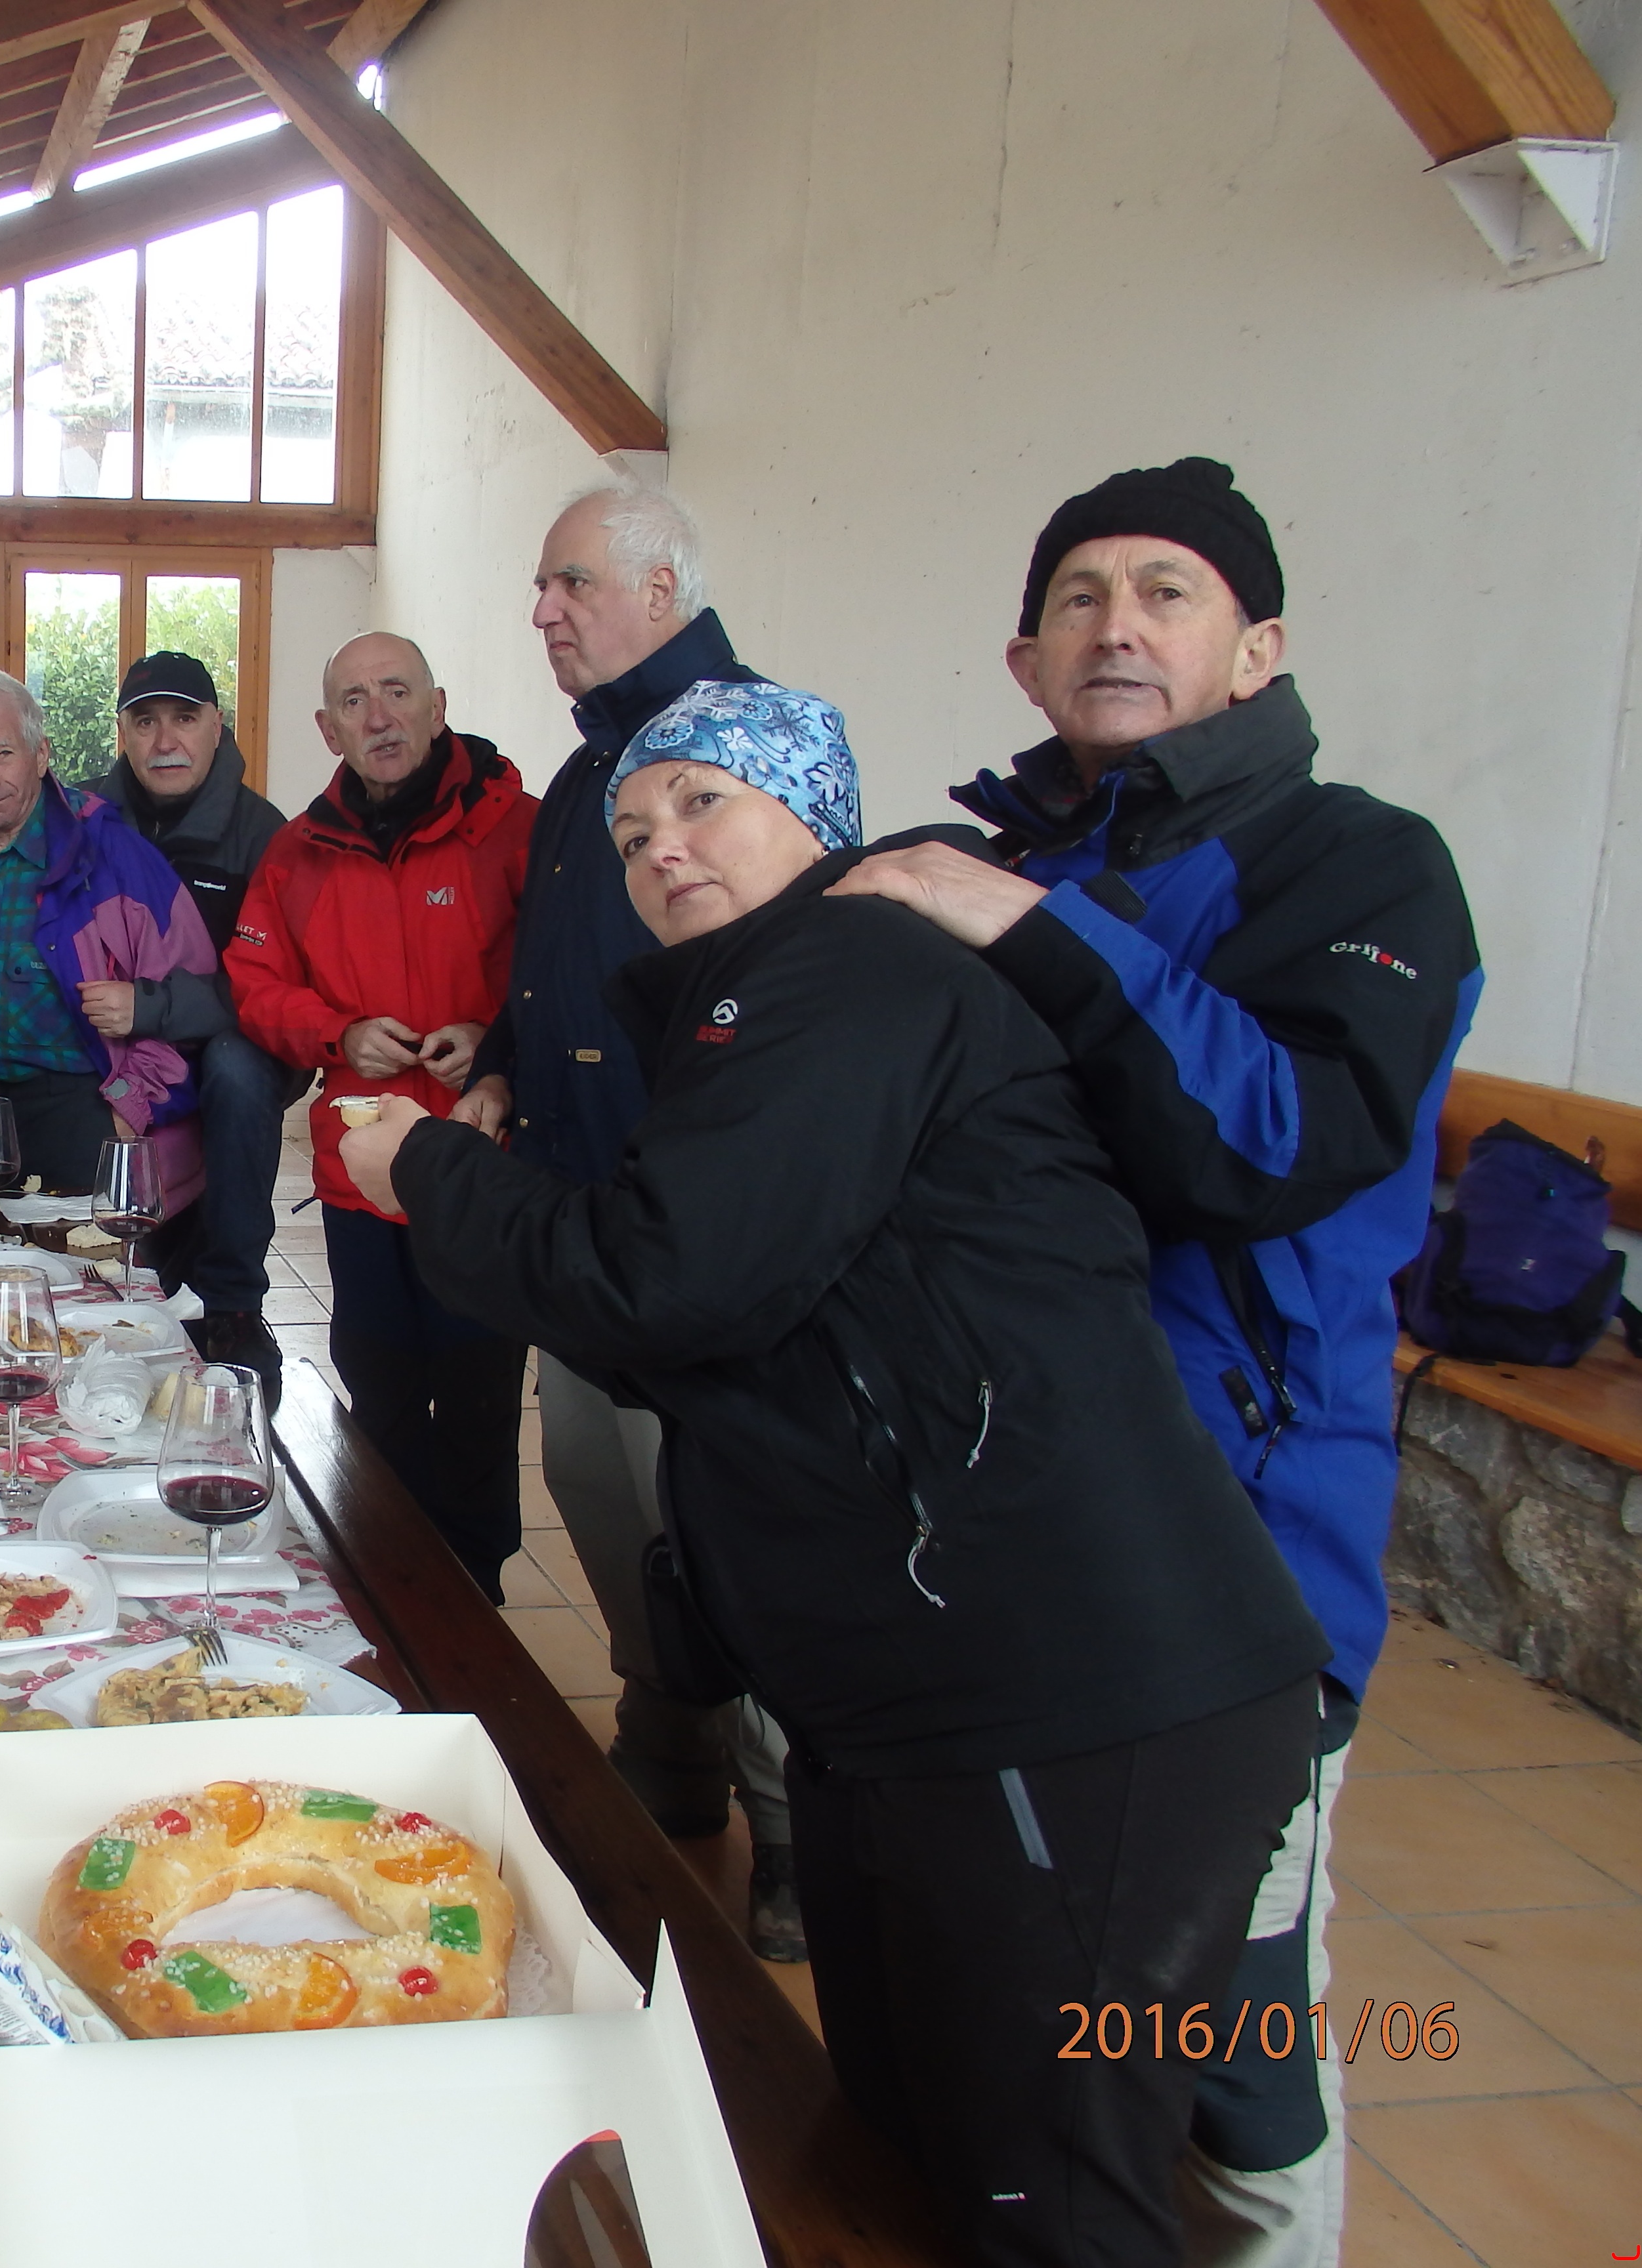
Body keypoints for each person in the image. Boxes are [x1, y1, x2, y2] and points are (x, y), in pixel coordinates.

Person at [341, 680, 1330, 2268]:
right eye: (632, 831)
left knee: (1053, 2195)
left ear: (816, 817)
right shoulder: (759, 1003)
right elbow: (723, 1328)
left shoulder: (852, 968)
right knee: (905, 2152)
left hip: (1073, 1690)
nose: (662, 848)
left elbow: (665, 1281)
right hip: (917, 1696)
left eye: (704, 803)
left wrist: (430, 1166)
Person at [832, 457, 1482, 2268]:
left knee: (1227, 2040)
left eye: (1166, 590)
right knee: (1034, 1996)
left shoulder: (1362, 864)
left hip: (1230, 1562)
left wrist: (1029, 931)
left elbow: (1275, 1142)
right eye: (1079, 595)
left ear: (1257, 647)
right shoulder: (996, 859)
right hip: (1001, 1538)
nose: (1116, 623)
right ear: (1025, 661)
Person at [455, 475, 803, 1958]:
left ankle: (794, 1827)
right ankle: (671, 1748)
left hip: (705, 1230)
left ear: (661, 590)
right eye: (542, 587)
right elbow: (550, 974)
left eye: (570, 583)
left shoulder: (742, 752)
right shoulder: (584, 772)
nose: (542, 610)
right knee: (598, 1488)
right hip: (582, 1214)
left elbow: (788, 979)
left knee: (730, 1530)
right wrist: (495, 1063)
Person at [226, 634, 535, 1597]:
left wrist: (497, 1043)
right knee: (381, 1390)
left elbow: (566, 979)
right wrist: (339, 1033)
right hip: (361, 1178)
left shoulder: (519, 830)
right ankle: (395, 1594)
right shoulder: (296, 853)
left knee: (479, 1403)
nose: (380, 716)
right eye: (355, 702)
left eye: (397, 692)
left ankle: (476, 1600)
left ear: (437, 707)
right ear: (330, 730)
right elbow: (253, 981)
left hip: (483, 1167)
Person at [0, 671, 218, 1205]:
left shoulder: (115, 857)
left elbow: (188, 1000)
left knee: (75, 1260)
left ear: (41, 755)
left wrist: (127, 1108)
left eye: (3, 754)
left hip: (79, 1111)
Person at [92, 650, 293, 1392]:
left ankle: (234, 1304)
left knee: (237, 1069)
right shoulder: (84, 821)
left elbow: (273, 984)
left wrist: (151, 1008)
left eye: (184, 718)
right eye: (145, 722)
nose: (165, 740)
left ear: (218, 727)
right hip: (113, 1033)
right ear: (123, 734)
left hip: (227, 1037)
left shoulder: (263, 834)